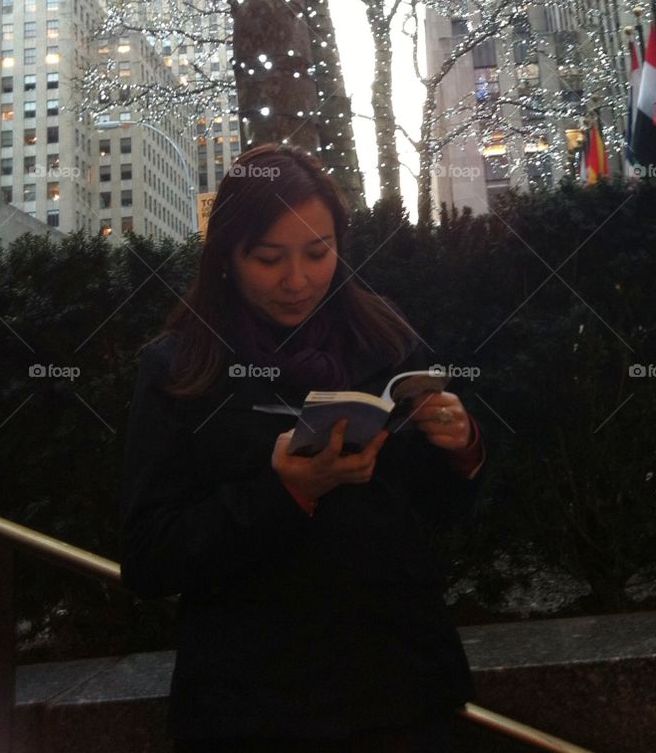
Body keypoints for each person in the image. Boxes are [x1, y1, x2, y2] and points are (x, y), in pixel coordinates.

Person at [120, 144, 484, 753]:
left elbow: (435, 513)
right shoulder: (182, 368)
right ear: (227, 258)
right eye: (269, 259)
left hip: (399, 686)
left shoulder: (383, 335)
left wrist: (460, 447)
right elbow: (149, 557)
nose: (297, 281)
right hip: (253, 704)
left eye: (318, 253)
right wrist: (284, 493)